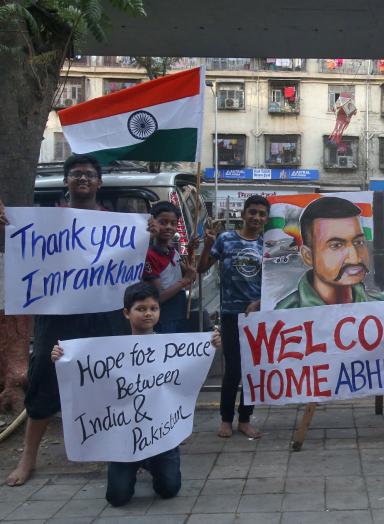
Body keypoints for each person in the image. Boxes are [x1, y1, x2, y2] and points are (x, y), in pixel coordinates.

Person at [5, 154, 139, 487]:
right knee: (44, 382)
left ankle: (122, 449)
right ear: (67, 181)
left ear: (99, 182)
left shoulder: (116, 224)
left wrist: (147, 230)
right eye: (76, 174)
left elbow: (136, 260)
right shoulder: (46, 220)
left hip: (105, 316)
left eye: (90, 175)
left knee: (113, 381)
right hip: (58, 318)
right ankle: (28, 458)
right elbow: (21, 255)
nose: (83, 179)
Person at [51, 282, 222, 506]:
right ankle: (132, 463)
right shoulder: (108, 350)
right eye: (141, 308)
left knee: (169, 489)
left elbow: (189, 371)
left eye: (154, 308)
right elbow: (87, 373)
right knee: (117, 498)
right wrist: (61, 357)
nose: (148, 313)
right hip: (122, 435)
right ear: (126, 313)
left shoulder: (170, 347)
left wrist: (211, 345)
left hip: (160, 434)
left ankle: (151, 462)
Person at [197, 195, 269, 439]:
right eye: (252, 212)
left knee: (252, 370)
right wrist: (207, 245)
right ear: (243, 214)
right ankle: (226, 420)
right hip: (230, 314)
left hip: (257, 317)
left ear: (266, 218)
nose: (256, 217)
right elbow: (201, 268)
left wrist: (259, 303)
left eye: (261, 214)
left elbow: (273, 282)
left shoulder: (267, 245)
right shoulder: (226, 239)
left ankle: (245, 420)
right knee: (233, 370)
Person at [275, 196, 384, 309]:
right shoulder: (285, 313)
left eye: (359, 242)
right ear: (308, 256)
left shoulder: (379, 303)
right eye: (336, 245)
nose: (355, 258)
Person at [143, 201, 197, 333]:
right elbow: (158, 297)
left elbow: (190, 276)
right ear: (152, 223)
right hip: (163, 317)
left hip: (178, 311)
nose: (169, 227)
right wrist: (184, 281)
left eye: (173, 223)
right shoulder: (149, 255)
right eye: (163, 222)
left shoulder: (172, 251)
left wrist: (190, 252)